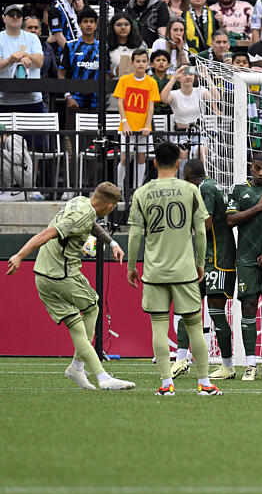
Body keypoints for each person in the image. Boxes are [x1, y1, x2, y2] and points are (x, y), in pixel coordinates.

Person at [5, 182, 134, 391]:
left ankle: (77, 368)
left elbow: (90, 224)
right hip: (60, 274)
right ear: (110, 207)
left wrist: (112, 243)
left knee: (76, 324)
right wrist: (19, 255)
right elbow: (47, 234)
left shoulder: (80, 202)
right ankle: (100, 376)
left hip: (43, 275)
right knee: (92, 306)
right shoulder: (80, 217)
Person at [127, 142, 219, 396]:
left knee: (158, 326)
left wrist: (131, 265)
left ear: (154, 163)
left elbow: (135, 234)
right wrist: (200, 262)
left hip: (155, 272)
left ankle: (167, 384)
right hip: (184, 271)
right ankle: (205, 383)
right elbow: (200, 230)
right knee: (194, 325)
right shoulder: (190, 189)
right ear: (178, 164)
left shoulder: (141, 193)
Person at [170, 160, 237, 380]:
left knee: (216, 311)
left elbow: (205, 225)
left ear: (188, 175)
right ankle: (181, 359)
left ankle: (227, 366)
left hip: (218, 258)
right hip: (205, 259)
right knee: (187, 306)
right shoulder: (210, 186)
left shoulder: (206, 188)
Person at [225, 153, 262, 381]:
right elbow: (230, 220)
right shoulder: (239, 190)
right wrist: (257, 208)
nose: (261, 173)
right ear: (251, 167)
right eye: (257, 168)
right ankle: (250, 364)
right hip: (247, 258)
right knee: (249, 306)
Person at [113, 48, 159, 190]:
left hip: (143, 128)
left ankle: (138, 188)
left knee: (141, 157)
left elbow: (151, 106)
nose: (140, 64)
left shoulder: (151, 82)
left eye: (143, 61)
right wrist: (125, 123)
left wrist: (147, 126)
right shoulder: (124, 80)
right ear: (132, 63)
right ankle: (118, 188)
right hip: (127, 127)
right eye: (138, 61)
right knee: (125, 158)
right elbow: (120, 102)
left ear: (148, 64)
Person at [0, 5, 45, 115]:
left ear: (22, 18)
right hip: (4, 101)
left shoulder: (32, 37)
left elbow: (39, 62)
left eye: (18, 15)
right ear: (4, 18)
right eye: (11, 15)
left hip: (33, 101)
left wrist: (25, 55)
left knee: (35, 132)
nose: (15, 17)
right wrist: (10, 60)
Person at [107, 11, 146, 83]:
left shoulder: (141, 45)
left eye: (126, 24)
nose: (123, 27)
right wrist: (116, 71)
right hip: (113, 86)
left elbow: (148, 69)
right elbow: (103, 73)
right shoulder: (106, 46)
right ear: (112, 27)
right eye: (119, 25)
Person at [150, 49, 172, 115]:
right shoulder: (148, 79)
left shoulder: (172, 80)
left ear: (168, 64)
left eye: (164, 60)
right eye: (158, 60)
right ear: (152, 64)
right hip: (153, 111)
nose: (161, 62)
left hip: (170, 111)